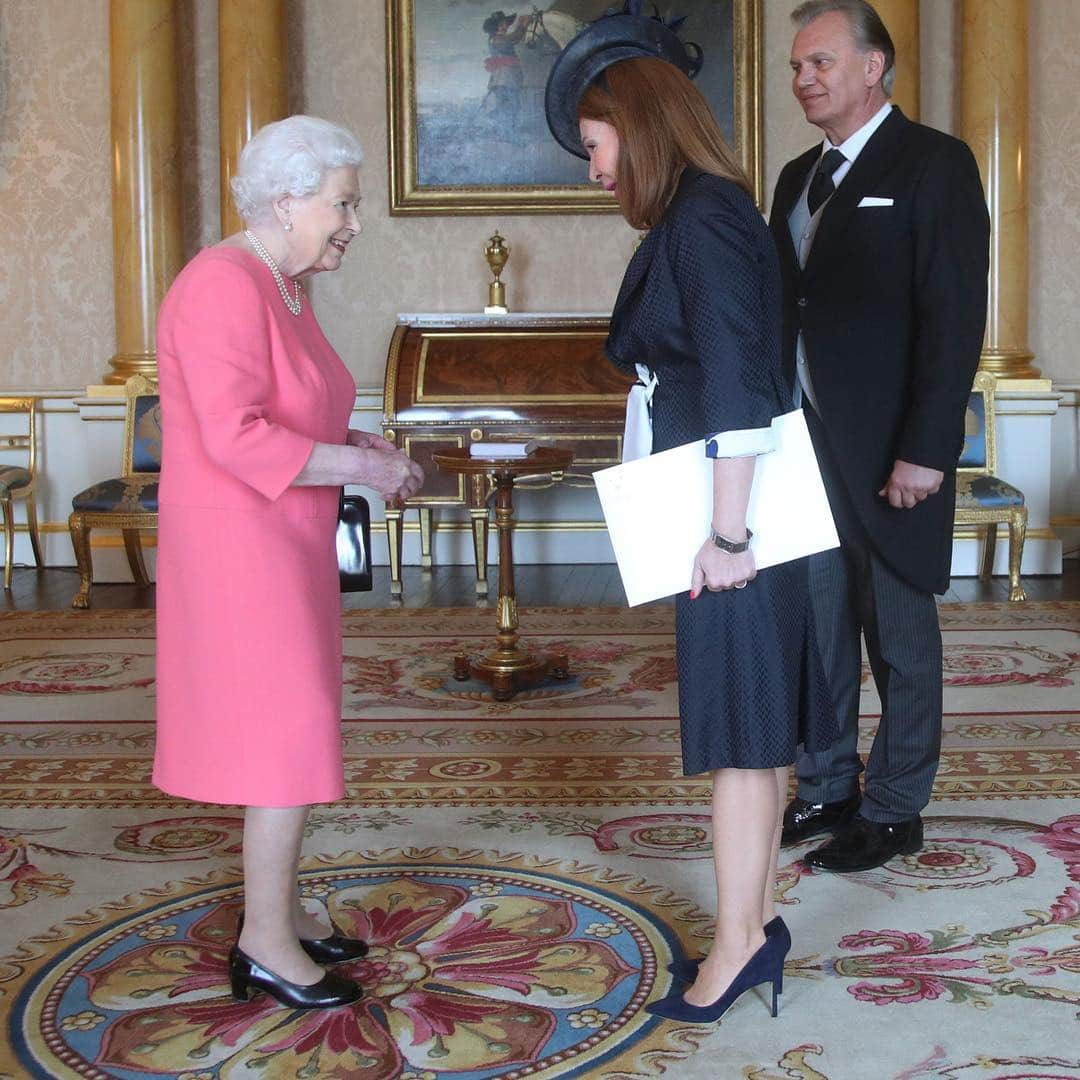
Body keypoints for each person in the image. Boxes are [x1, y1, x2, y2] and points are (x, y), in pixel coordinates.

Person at [545, 7, 834, 1025]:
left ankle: (739, 942)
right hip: (735, 521)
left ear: (639, 122)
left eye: (595, 147)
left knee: (738, 738)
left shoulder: (705, 218)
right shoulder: (704, 213)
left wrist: (727, 537)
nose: (593, 171)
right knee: (752, 738)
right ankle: (753, 932)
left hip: (736, 528)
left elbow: (736, 384)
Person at [153, 115, 424, 1009]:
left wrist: (350, 438)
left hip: (284, 539)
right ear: (285, 200)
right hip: (243, 547)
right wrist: (363, 467)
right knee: (281, 735)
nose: (353, 221)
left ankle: (281, 914)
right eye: (342, 203)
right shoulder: (222, 285)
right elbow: (234, 434)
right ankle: (266, 941)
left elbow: (289, 407)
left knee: (295, 727)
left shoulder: (284, 283)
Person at [770, 0, 989, 872]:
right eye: (795, 67)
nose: (804, 79)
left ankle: (897, 806)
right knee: (816, 632)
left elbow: (953, 317)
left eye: (819, 61)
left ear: (873, 67)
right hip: (800, 449)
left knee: (898, 638)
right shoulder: (793, 177)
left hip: (892, 451)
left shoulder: (934, 164)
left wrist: (928, 448)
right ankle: (827, 786)